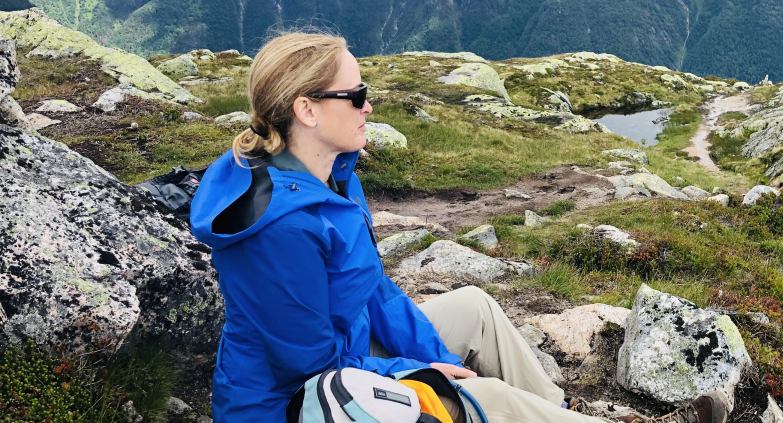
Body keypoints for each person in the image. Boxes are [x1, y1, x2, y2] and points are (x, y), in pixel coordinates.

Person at [189, 32, 729, 423]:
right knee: (485, 401)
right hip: (294, 403)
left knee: (474, 308)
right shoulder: (279, 229)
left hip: (344, 353)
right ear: (305, 109)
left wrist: (441, 362)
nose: (367, 105)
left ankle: (562, 413)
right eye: (353, 95)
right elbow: (312, 368)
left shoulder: (328, 177)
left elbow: (370, 289)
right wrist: (420, 375)